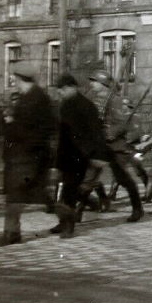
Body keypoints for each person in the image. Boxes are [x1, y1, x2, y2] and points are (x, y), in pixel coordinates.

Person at [52, 73, 111, 238]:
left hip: (81, 155)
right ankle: (64, 221)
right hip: (66, 154)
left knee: (69, 190)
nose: (60, 93)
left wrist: (98, 155)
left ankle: (68, 225)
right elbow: (63, 135)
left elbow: (96, 133)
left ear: (71, 87)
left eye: (62, 90)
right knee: (62, 190)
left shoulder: (87, 106)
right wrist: (57, 160)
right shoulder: (64, 106)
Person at [1, 64, 54, 245]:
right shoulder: (34, 97)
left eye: (16, 79)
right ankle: (66, 215)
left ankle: (12, 233)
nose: (15, 83)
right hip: (27, 154)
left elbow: (29, 129)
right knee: (31, 193)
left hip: (28, 154)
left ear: (22, 79)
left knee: (15, 194)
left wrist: (10, 123)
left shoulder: (34, 100)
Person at [87, 71, 144, 221]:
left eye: (94, 81)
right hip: (98, 144)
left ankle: (137, 208)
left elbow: (122, 124)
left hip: (114, 145)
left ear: (103, 84)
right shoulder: (91, 98)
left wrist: (109, 133)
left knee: (122, 178)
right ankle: (81, 209)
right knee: (89, 177)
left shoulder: (115, 100)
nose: (91, 84)